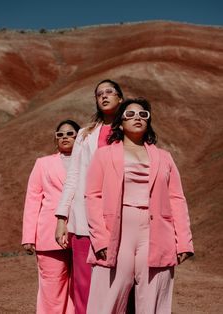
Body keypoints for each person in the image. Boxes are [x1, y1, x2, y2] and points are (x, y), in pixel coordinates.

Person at [85, 98, 194, 314]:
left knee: (153, 296)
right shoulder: (104, 155)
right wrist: (100, 237)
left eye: (143, 115)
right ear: (120, 122)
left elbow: (177, 200)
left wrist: (183, 242)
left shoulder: (164, 157)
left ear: (149, 122)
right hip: (117, 230)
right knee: (109, 295)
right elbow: (92, 196)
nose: (137, 118)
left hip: (156, 232)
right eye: (130, 114)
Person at [55, 79, 124, 314]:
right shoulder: (85, 135)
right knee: (84, 284)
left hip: (121, 217)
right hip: (84, 219)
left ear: (120, 98)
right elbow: (73, 176)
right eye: (99, 94)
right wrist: (62, 218)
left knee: (119, 283)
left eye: (109, 92)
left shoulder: (131, 133)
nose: (104, 96)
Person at [22, 119, 80, 314]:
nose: (65, 137)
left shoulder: (90, 162)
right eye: (60, 134)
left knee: (79, 287)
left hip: (82, 230)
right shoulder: (43, 163)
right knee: (52, 286)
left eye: (70, 133)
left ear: (79, 137)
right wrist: (29, 236)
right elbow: (32, 199)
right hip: (48, 234)